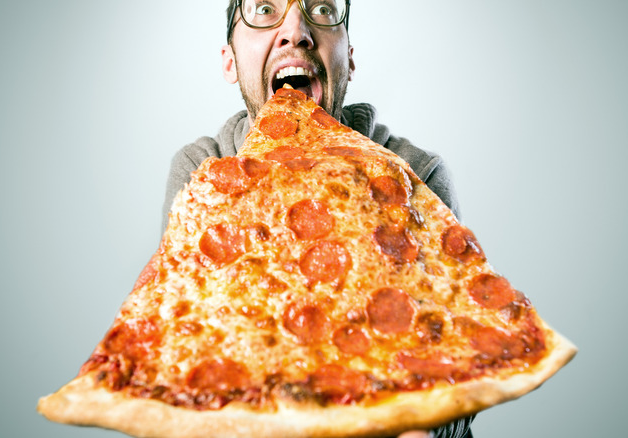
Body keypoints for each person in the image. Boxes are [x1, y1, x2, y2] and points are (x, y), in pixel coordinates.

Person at [161, 2, 474, 437]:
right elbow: (189, 365)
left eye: (322, 8)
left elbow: (462, 385)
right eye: (265, 9)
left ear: (348, 58)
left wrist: (426, 418)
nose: (296, 30)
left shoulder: (415, 176)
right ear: (230, 61)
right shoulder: (204, 170)